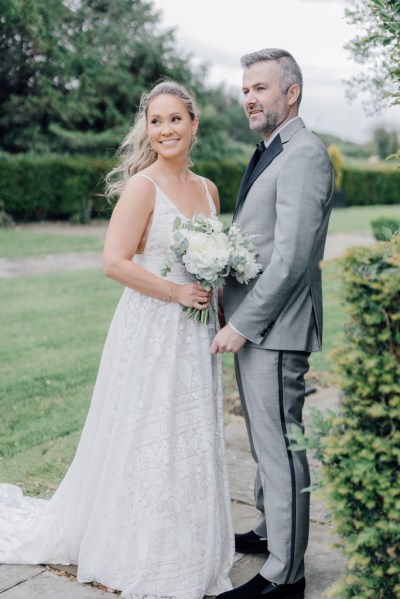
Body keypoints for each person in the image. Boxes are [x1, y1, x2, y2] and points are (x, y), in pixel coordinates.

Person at [0, 80, 234, 599]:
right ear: (146, 130)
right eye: (156, 120)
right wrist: (175, 291)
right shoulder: (142, 187)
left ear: (195, 124)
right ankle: (140, 549)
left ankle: (191, 546)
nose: (166, 129)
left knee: (188, 435)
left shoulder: (210, 189)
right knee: (147, 433)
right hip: (151, 329)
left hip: (194, 338)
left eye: (176, 119)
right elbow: (114, 262)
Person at [210, 49, 334, 599]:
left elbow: (292, 259)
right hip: (254, 323)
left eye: (260, 87)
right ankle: (269, 531)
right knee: (266, 442)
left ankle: (285, 576)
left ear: (292, 93)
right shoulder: (269, 150)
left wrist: (244, 324)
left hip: (275, 328)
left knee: (282, 447)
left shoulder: (305, 154)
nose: (249, 99)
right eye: (245, 90)